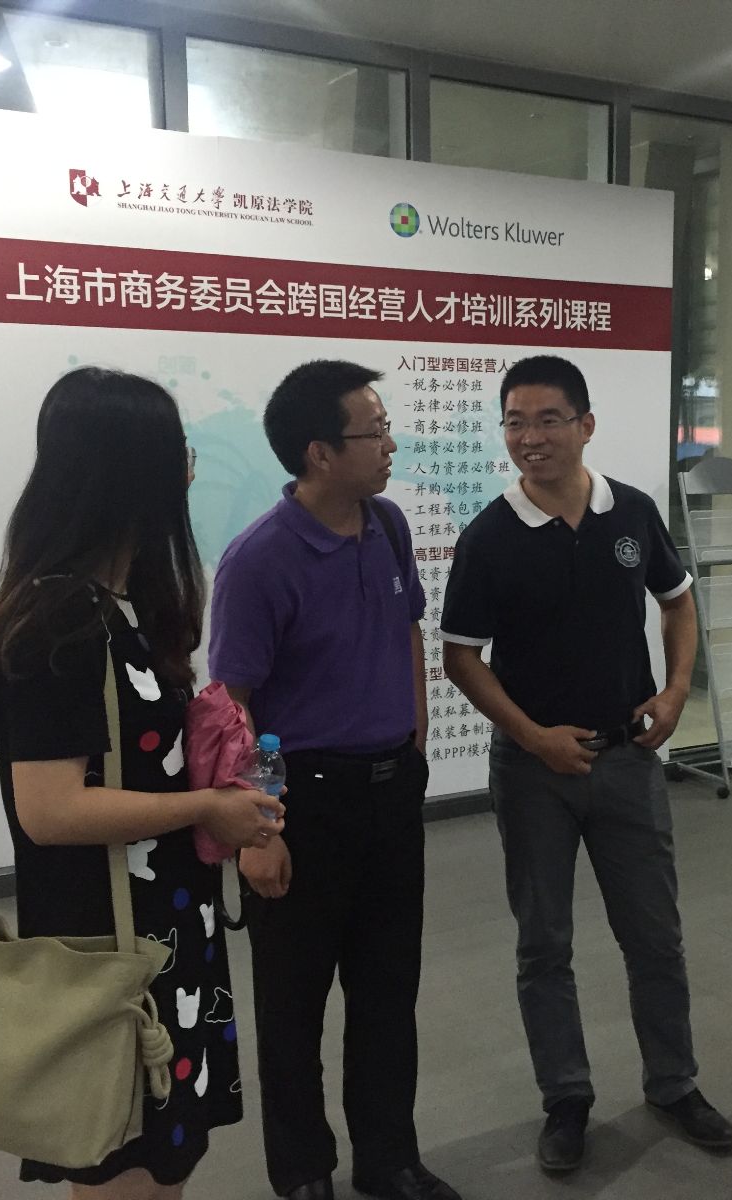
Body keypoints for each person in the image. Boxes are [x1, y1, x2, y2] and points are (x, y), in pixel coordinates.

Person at [0, 367, 281, 1199]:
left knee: (161, 1158)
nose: (190, 469)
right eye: (178, 452)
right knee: (120, 1155)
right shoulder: (60, 622)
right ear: (131, 471)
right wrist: (206, 805)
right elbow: (50, 809)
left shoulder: (121, 605)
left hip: (161, 934)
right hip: (108, 946)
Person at [440, 354, 732, 1174]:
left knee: (656, 937)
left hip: (628, 760)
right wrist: (533, 736)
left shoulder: (631, 512)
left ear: (585, 425)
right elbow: (462, 658)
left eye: (547, 420)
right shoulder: (490, 536)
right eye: (515, 423)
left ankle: (674, 1084)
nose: (529, 438)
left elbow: (677, 601)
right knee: (544, 945)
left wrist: (675, 691)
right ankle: (566, 1099)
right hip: (533, 773)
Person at [208, 360, 461, 1200]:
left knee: (388, 993)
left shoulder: (386, 525)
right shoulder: (259, 561)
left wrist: (415, 741)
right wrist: (258, 830)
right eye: (374, 432)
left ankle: (388, 1159)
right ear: (320, 452)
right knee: (293, 1006)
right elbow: (232, 704)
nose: (390, 445)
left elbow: (408, 631)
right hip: (302, 803)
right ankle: (303, 1172)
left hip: (389, 793)